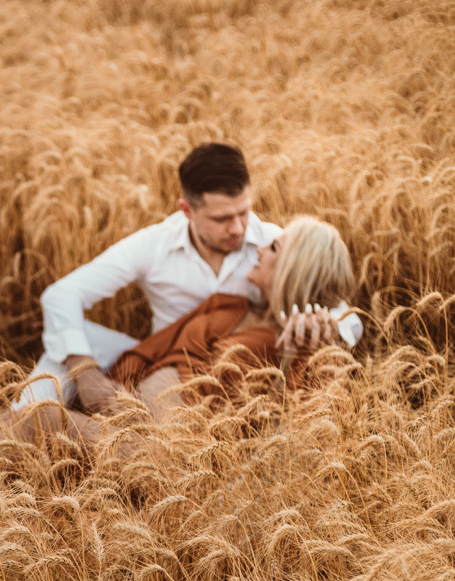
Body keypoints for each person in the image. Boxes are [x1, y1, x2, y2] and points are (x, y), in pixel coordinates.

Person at [0, 216, 355, 466]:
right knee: (33, 410)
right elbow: (62, 295)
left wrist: (330, 331)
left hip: (161, 455)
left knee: (38, 419)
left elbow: (207, 429)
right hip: (133, 418)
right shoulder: (232, 305)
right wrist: (98, 384)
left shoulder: (291, 343)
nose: (259, 245)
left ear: (296, 270)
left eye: (275, 246)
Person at [18, 142, 361, 414]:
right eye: (222, 218)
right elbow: (61, 294)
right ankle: (14, 430)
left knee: (51, 418)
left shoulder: (272, 244)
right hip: (159, 359)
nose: (239, 228)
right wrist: (87, 374)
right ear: (187, 211)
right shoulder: (154, 244)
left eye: (244, 211)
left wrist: (325, 324)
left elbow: (332, 301)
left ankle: (23, 434)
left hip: (220, 378)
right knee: (70, 349)